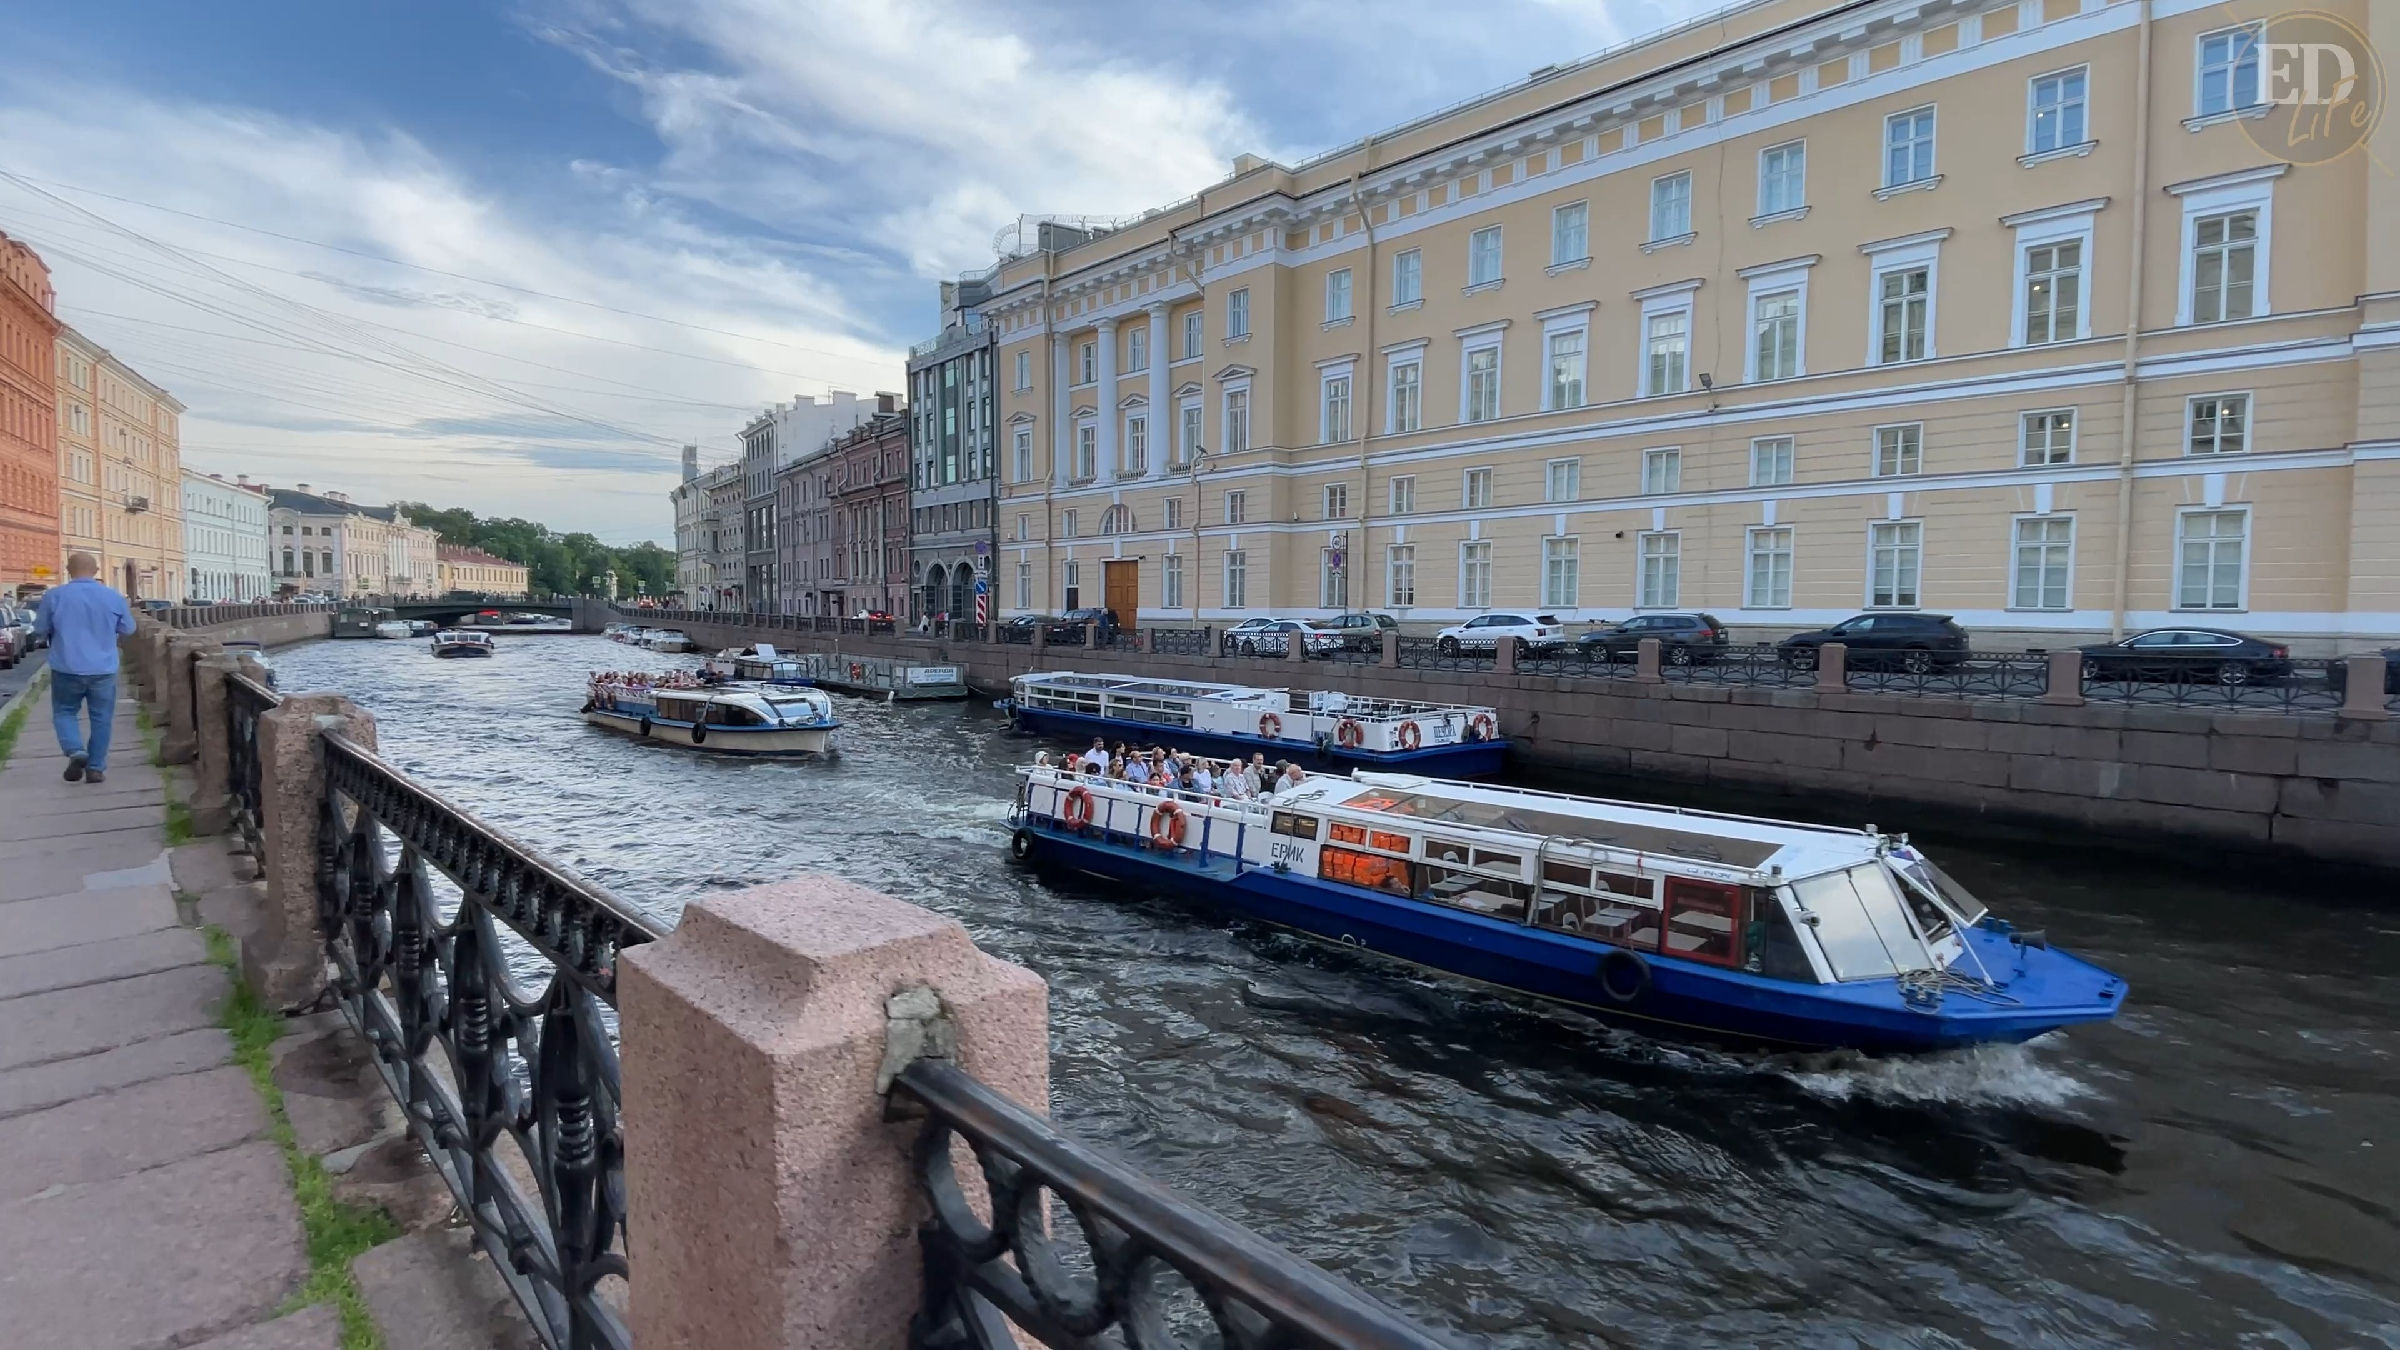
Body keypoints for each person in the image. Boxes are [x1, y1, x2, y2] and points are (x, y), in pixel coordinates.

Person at [33, 552, 136, 785]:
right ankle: (96, 768)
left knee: (64, 712)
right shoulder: (113, 597)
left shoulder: (54, 596)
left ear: (69, 570)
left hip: (66, 666)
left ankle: (75, 750)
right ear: (96, 571)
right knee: (102, 719)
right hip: (103, 668)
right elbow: (128, 628)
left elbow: (40, 628)